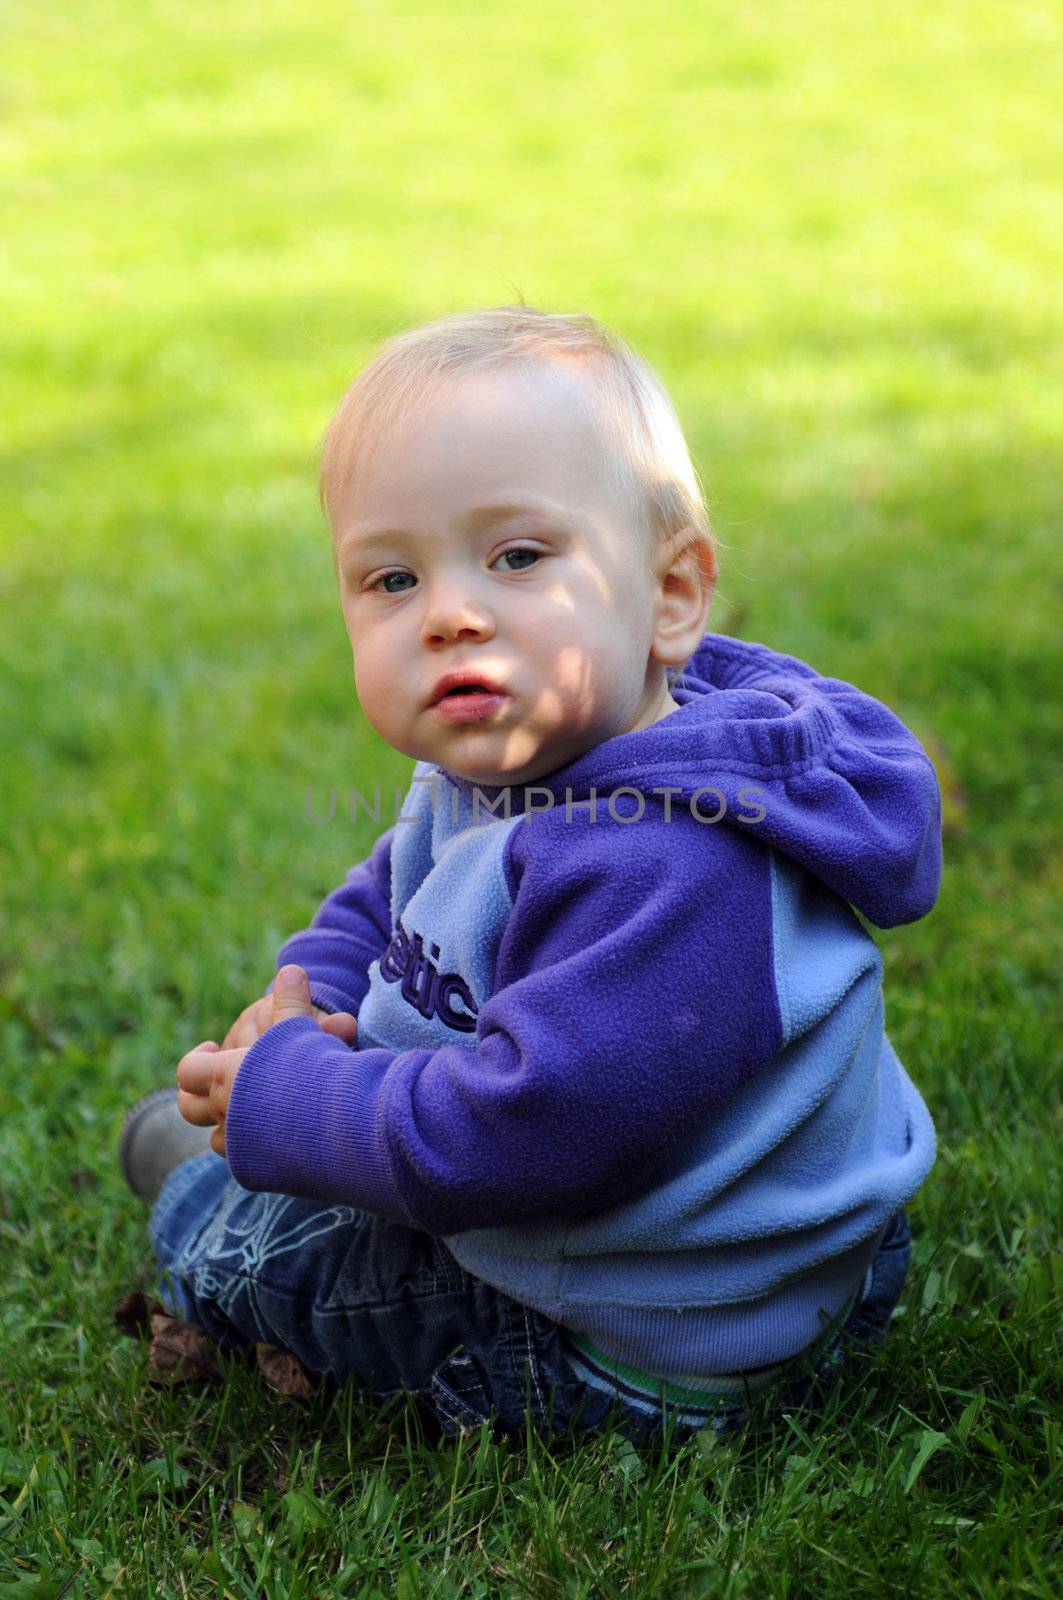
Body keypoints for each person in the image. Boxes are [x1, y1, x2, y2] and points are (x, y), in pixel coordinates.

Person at [120, 306, 941, 1444]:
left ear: (670, 596)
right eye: (392, 578)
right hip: (694, 1237)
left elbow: (512, 1142)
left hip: (664, 1323)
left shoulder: (673, 859)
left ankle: (189, 1194)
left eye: (516, 557)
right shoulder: (528, 741)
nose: (451, 615)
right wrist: (312, 990)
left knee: (264, 1253)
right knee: (316, 1144)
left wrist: (288, 1102)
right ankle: (256, 1158)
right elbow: (394, 885)